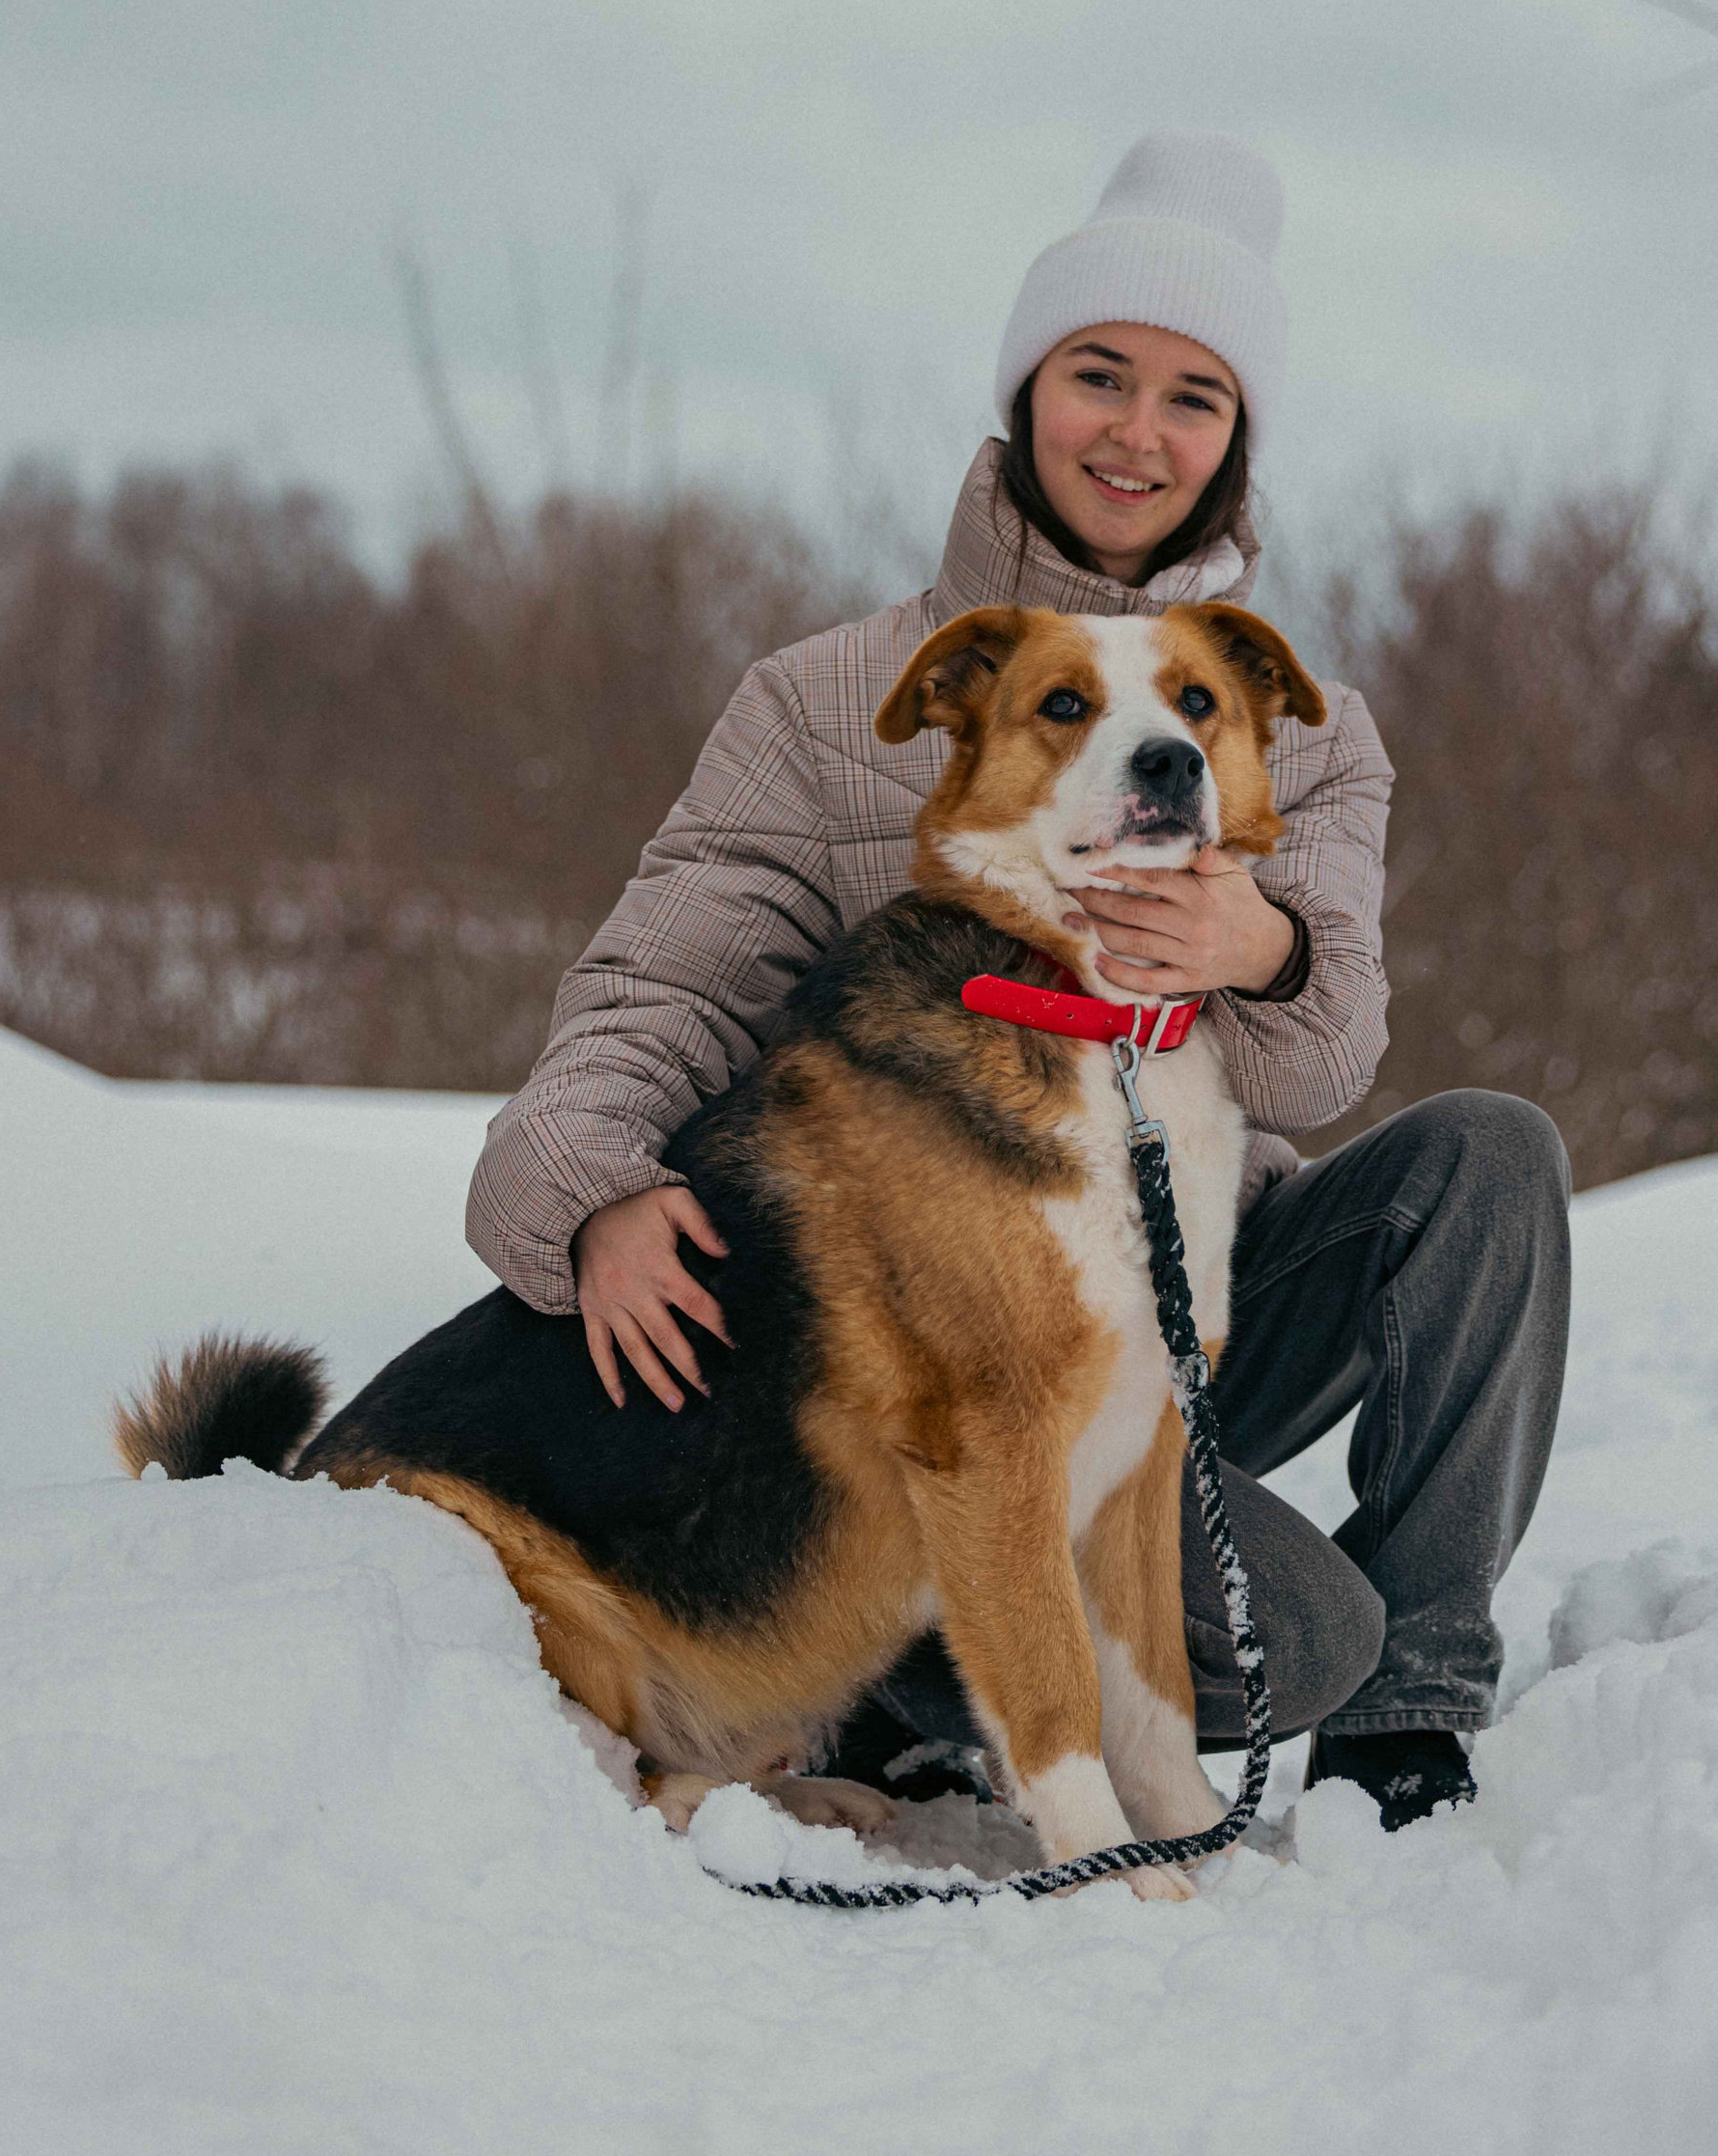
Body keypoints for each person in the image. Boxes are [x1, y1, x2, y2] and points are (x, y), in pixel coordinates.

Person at [466, 135, 1569, 1832]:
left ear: (1238, 439)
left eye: (1195, 397)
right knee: (1290, 1629)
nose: (1139, 431)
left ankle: (1411, 1715)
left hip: (1195, 1295)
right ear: (1026, 390)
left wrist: (1254, 946)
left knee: (1491, 1161)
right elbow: (660, 986)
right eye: (1100, 374)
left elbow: (1325, 1057)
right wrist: (590, 1186)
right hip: (952, 1327)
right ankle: (897, 1671)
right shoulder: (833, 699)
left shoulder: (1298, 728)